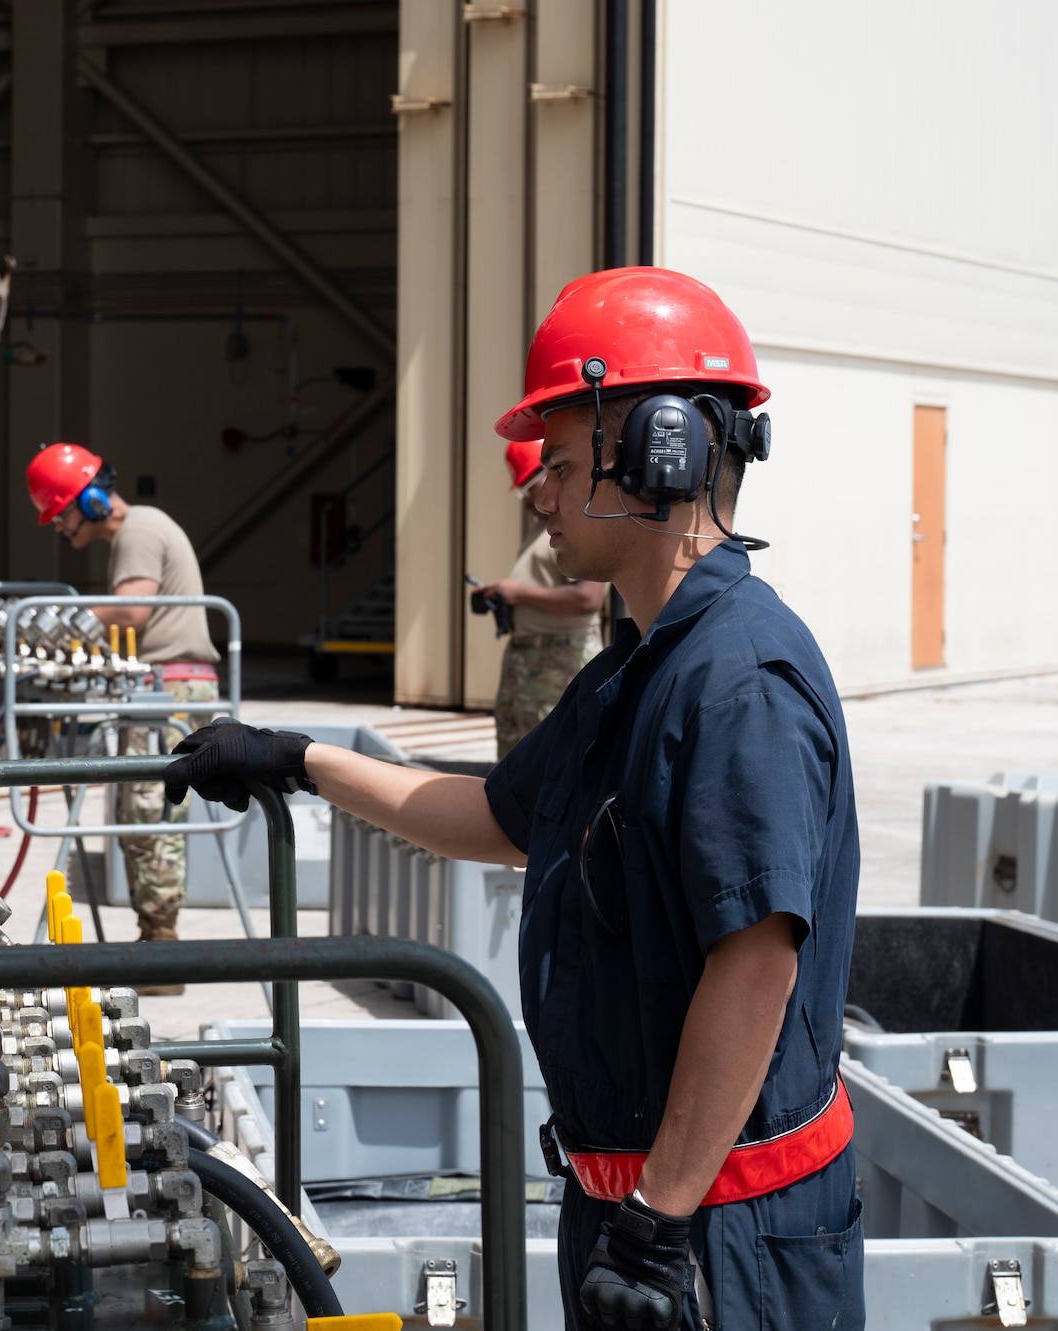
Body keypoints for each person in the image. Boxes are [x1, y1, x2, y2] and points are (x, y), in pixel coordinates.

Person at [163, 268, 862, 1330]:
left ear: (656, 453)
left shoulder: (735, 680)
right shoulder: (634, 669)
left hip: (720, 1235)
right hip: (636, 1203)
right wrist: (297, 756)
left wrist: (658, 1217)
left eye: (561, 459)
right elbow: (497, 815)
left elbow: (754, 959)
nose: (534, 490)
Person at [27, 443, 218, 990]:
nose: (60, 529)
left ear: (89, 500)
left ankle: (163, 950)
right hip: (163, 687)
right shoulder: (138, 531)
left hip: (169, 688)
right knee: (141, 814)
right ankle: (153, 941)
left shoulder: (137, 530)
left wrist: (54, 617)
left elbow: (134, 611)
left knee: (149, 815)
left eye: (60, 513)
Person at [476, 438, 607, 757]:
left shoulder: (577, 527)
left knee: (552, 759)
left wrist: (518, 593)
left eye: (527, 489)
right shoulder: (544, 527)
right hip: (532, 658)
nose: (529, 501)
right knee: (517, 760)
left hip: (560, 657)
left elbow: (588, 598)